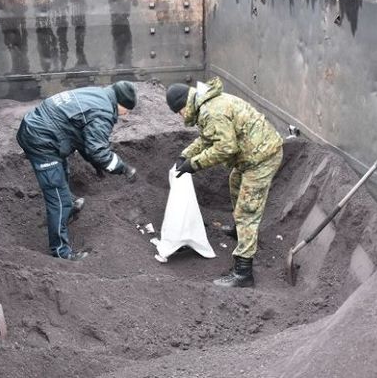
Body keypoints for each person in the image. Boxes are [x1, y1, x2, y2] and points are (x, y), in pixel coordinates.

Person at [166, 77, 283, 287]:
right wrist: (186, 155)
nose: (181, 116)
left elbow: (225, 148)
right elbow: (207, 138)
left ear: (184, 105)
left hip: (262, 157)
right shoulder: (206, 104)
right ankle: (240, 231)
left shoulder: (212, 110)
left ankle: (243, 272)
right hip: (251, 154)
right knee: (235, 182)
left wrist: (194, 164)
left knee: (247, 210)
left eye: (178, 112)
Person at [17, 82, 138, 261]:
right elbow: (97, 150)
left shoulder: (98, 94)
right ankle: (61, 252)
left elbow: (82, 135)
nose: (126, 114)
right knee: (57, 197)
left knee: (61, 172)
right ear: (120, 103)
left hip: (42, 129)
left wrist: (95, 163)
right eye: (127, 109)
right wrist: (124, 168)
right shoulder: (103, 112)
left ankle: (71, 205)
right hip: (41, 139)